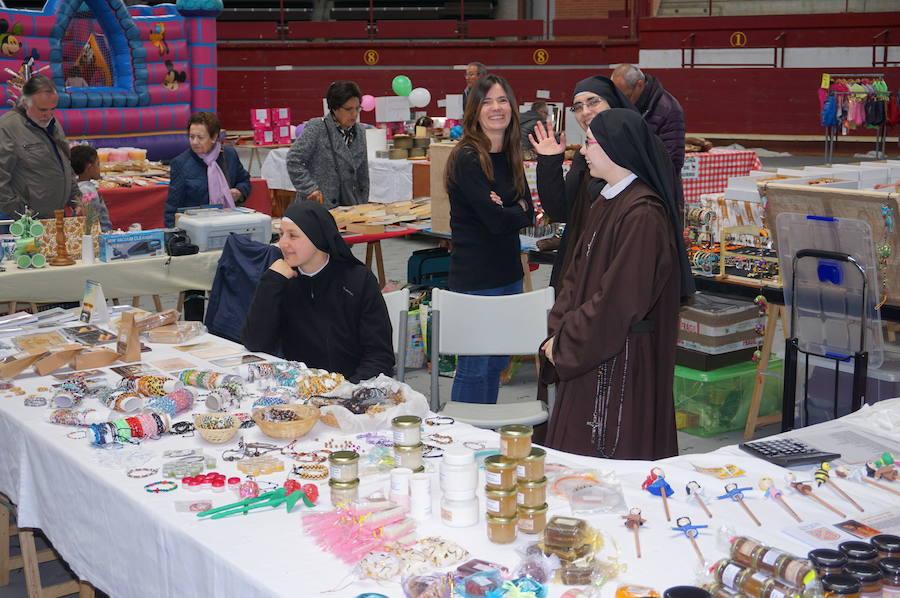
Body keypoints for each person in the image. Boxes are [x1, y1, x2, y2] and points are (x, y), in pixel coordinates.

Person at [539, 108, 695, 461]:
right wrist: (558, 330)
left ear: (616, 148)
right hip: (590, 342)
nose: (582, 151)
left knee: (607, 460)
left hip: (618, 355)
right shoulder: (608, 200)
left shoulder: (642, 214)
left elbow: (618, 299)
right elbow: (574, 275)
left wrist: (569, 341)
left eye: (590, 143)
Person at [444, 73, 534, 404]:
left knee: (496, 364)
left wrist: (508, 209)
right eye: (486, 102)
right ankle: (464, 438)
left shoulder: (510, 154)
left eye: (501, 100)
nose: (496, 108)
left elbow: (531, 215)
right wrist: (514, 209)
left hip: (509, 276)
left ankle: (486, 437)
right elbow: (498, 222)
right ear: (474, 111)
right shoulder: (467, 157)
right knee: (474, 367)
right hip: (476, 280)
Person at [241, 201, 394, 383]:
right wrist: (270, 283)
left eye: (293, 236)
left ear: (317, 238)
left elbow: (380, 355)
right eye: (281, 234)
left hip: (353, 387)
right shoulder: (281, 280)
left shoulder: (358, 281)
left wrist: (348, 391)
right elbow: (255, 343)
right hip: (298, 388)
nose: (282, 243)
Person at [530, 75, 637, 290]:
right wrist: (549, 161)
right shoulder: (583, 156)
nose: (585, 112)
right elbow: (560, 210)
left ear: (613, 104)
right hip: (578, 263)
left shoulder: (636, 151)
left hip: (616, 266)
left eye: (593, 102)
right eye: (578, 107)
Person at [0, 74, 81, 220]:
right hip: (23, 222)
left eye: (53, 109)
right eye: (43, 110)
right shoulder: (7, 127)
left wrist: (76, 199)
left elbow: (64, 165)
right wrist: (23, 215)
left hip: (54, 217)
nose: (49, 115)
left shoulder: (52, 124)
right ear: (26, 104)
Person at [287, 80, 369, 208]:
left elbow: (363, 175)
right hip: (320, 206)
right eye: (348, 109)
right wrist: (309, 188)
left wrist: (363, 205)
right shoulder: (317, 127)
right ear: (334, 108)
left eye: (357, 108)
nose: (354, 114)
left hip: (350, 207)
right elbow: (293, 160)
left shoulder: (360, 131)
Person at [163, 111, 250, 227]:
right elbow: (172, 207)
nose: (194, 142)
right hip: (196, 226)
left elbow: (244, 181)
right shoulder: (181, 163)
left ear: (214, 137)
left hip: (230, 222)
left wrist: (239, 191)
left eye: (200, 138)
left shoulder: (229, 155)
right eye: (191, 137)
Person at [611, 64, 686, 171]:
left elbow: (673, 160)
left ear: (640, 85)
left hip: (656, 182)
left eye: (627, 97)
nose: (622, 102)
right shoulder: (622, 104)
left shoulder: (669, 109)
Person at [70, 145, 113, 232]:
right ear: (89, 167)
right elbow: (87, 214)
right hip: (98, 235)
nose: (99, 168)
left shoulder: (78, 187)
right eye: (97, 164)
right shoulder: (87, 191)